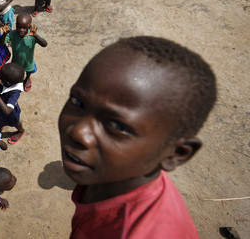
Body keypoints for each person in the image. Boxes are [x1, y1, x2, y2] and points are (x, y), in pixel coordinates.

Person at [59, 36, 216, 238]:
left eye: (117, 125)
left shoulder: (138, 232)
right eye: (78, 102)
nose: (78, 131)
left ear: (175, 154)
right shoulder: (111, 173)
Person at [3, 14, 47, 91]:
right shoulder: (12, 34)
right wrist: (5, 34)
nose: (21, 30)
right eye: (19, 27)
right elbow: (1, 42)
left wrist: (36, 36)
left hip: (28, 61)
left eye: (24, 28)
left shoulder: (32, 35)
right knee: (16, 73)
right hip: (16, 61)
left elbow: (44, 44)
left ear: (29, 26)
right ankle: (18, 79)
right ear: (16, 25)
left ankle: (27, 78)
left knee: (29, 70)